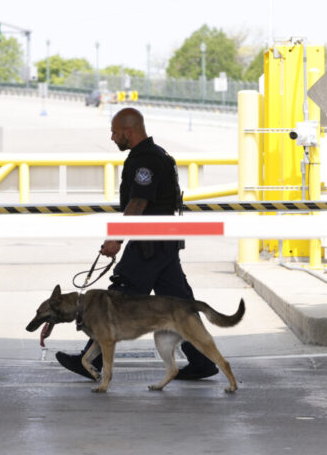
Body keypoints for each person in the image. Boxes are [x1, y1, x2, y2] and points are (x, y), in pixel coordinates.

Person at [55, 107, 219, 381]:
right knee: (179, 304)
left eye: (115, 132)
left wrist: (115, 239)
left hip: (149, 244)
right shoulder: (157, 155)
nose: (112, 137)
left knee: (116, 299)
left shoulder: (145, 161)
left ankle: (89, 360)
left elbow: (138, 202)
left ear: (128, 132)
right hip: (163, 243)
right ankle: (202, 360)